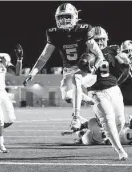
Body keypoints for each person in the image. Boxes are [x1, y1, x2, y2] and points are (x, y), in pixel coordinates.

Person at [23, 3, 104, 131]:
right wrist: (33, 73)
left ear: (75, 16)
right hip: (68, 70)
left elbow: (100, 55)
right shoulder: (54, 34)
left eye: (67, 16)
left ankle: (76, 118)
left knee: (77, 79)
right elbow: (44, 57)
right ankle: (86, 99)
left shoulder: (83, 30)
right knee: (67, 96)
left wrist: (93, 68)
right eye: (60, 17)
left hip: (85, 69)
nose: (64, 20)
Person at [77, 26, 130, 160]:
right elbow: (78, 78)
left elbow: (124, 69)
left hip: (113, 89)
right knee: (108, 119)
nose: (100, 43)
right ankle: (120, 150)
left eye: (102, 39)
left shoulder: (113, 50)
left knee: (120, 121)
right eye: (96, 40)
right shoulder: (84, 54)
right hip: (96, 92)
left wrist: (125, 62)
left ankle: (106, 137)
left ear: (107, 38)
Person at [62, 116, 132, 146]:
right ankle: (79, 135)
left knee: (95, 123)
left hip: (110, 134)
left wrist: (130, 122)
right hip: (109, 141)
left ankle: (78, 128)